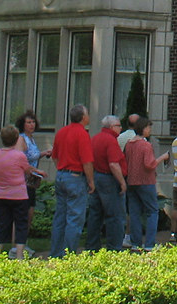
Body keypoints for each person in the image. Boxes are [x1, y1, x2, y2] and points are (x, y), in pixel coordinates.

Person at [49, 104, 95, 258]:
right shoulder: (82, 134)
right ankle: (69, 255)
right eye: (87, 114)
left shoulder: (61, 132)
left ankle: (56, 253)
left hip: (61, 175)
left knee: (60, 217)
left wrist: (61, 169)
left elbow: (54, 156)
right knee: (75, 218)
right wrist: (91, 181)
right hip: (76, 177)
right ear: (83, 117)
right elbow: (87, 162)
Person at [0, 125, 41, 259]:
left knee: (2, 224)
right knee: (21, 224)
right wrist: (39, 172)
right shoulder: (19, 156)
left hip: (0, 194)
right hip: (18, 195)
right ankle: (19, 255)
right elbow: (28, 170)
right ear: (16, 139)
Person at [124, 116, 169, 252]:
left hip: (132, 181)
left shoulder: (129, 144)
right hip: (145, 181)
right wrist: (163, 157)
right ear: (143, 128)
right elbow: (150, 164)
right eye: (148, 127)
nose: (150, 130)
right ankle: (150, 244)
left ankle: (135, 243)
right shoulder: (146, 145)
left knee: (134, 213)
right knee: (152, 211)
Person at [86, 115, 128, 251]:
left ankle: (92, 247)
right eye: (118, 126)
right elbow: (113, 164)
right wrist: (122, 182)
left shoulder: (95, 138)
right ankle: (114, 248)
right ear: (111, 127)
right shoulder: (111, 141)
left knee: (95, 214)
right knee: (115, 215)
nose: (121, 128)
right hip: (109, 179)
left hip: (96, 176)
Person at [12, 110, 51, 257]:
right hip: (23, 180)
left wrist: (43, 153)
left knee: (30, 213)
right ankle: (16, 246)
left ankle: (23, 243)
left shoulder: (32, 139)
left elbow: (32, 156)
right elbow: (20, 159)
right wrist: (35, 170)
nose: (32, 125)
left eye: (33, 122)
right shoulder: (21, 139)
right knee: (22, 213)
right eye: (28, 122)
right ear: (23, 124)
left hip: (32, 181)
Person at [116, 112, 141, 248]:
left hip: (121, 173)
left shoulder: (120, 137)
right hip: (134, 175)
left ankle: (121, 235)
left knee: (123, 207)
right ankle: (129, 235)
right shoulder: (139, 140)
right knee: (133, 207)